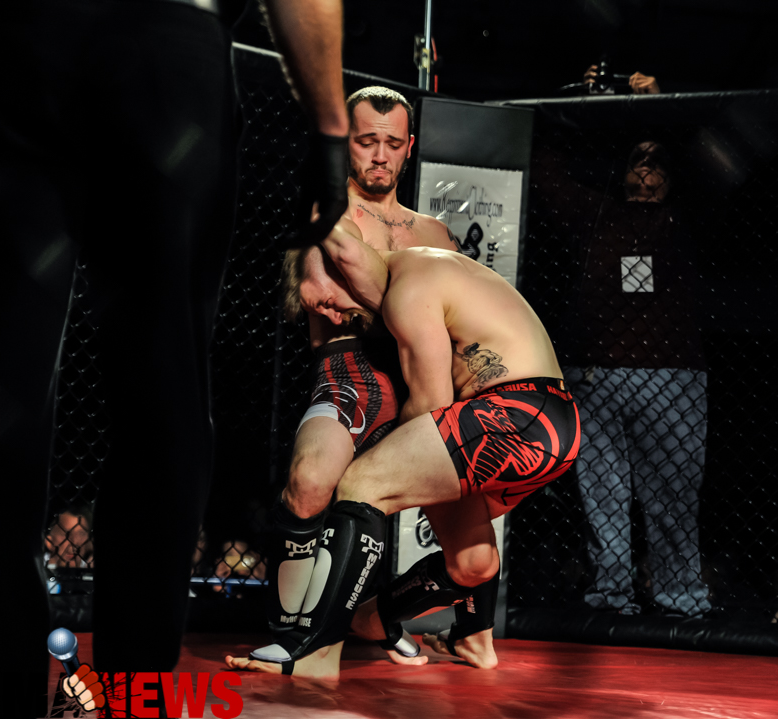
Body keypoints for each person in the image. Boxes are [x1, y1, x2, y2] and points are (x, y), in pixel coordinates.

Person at [0, 1, 350, 716]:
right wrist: (329, 127)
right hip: (163, 53)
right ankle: (136, 695)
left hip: (6, 44)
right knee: (165, 384)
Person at [226, 218, 580, 678]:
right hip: (550, 424)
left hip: (514, 414)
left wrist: (374, 488)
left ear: (343, 268)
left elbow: (432, 404)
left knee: (362, 483)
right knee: (471, 562)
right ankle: (466, 637)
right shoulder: (429, 272)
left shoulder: (407, 287)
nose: (333, 317)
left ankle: (316, 652)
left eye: (328, 302)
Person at [263, 86, 458, 657]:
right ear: (346, 143)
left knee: (469, 549)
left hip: (424, 385)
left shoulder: (435, 234)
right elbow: (318, 298)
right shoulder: (327, 213)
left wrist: (385, 308)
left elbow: (455, 325)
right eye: (367, 141)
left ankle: (379, 618)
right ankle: (291, 635)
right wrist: (408, 313)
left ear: (409, 147)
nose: (379, 155)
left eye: (392, 144)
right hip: (351, 376)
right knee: (310, 483)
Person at [557, 139, 711, 617]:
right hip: (598, 371)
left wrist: (667, 124)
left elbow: (715, 173)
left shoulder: (686, 218)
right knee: (601, 491)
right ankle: (611, 594)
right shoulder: (599, 214)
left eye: (656, 162)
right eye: (636, 161)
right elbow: (548, 178)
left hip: (672, 374)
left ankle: (680, 597)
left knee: (673, 496)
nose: (645, 171)